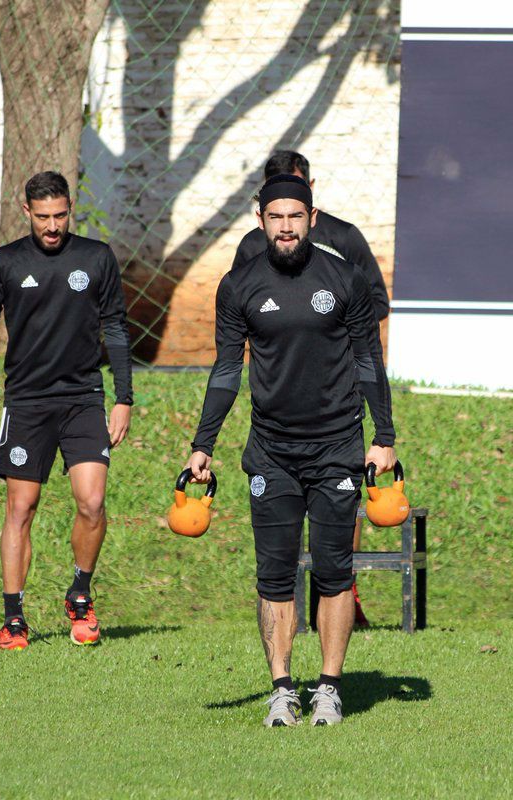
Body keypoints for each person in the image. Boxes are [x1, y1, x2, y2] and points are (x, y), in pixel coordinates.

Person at [184, 173, 397, 726]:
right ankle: (282, 689)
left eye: (295, 217)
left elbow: (369, 362)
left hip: (337, 448)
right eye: (275, 217)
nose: (285, 227)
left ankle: (328, 687)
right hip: (272, 453)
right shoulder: (238, 285)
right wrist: (202, 446)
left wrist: (384, 438)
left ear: (312, 217)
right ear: (260, 221)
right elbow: (228, 369)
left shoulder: (344, 280)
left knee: (333, 572)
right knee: (274, 576)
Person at [0, 171, 133, 650]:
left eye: (60, 216)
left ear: (69, 209)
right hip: (28, 403)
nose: (52, 226)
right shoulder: (6, 262)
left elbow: (116, 327)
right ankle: (14, 618)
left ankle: (80, 595)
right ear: (26, 212)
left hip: (83, 400)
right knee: (21, 507)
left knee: (92, 503)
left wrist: (123, 398)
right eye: (43, 218)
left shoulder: (95, 258)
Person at [233, 150, 388, 628]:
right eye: (273, 205)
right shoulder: (249, 252)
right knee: (275, 565)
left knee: (333, 549)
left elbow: (372, 310)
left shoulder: (343, 242)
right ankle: (284, 675)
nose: (285, 218)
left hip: (336, 417)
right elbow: (242, 316)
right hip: (276, 426)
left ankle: (345, 595)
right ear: (261, 210)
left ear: (311, 198)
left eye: (295, 203)